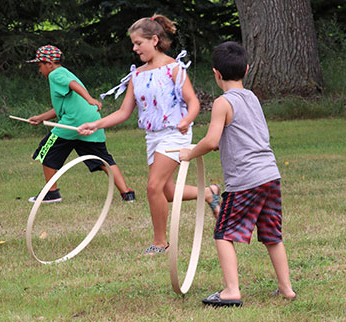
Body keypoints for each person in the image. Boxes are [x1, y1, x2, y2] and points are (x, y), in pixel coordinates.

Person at [78, 15, 219, 255]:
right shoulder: (137, 74)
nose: (134, 48)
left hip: (175, 134)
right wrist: (95, 124)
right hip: (152, 137)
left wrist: (186, 120)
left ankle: (160, 242)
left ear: (155, 40)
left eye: (138, 43)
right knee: (165, 191)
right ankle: (209, 193)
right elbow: (124, 112)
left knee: (153, 187)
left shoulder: (174, 68)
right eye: (133, 44)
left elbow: (193, 102)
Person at [178, 41, 296, 307]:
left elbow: (210, 141)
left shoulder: (222, 102)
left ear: (216, 73)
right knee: (272, 235)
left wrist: (189, 154)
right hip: (270, 175)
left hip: (245, 180)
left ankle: (231, 290)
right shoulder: (252, 97)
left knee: (224, 234)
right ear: (246, 68)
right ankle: (286, 288)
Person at [25, 45, 135, 203]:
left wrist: (90, 98)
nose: (39, 70)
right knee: (103, 159)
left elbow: (73, 85)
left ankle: (52, 193)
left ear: (49, 63)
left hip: (74, 121)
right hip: (91, 119)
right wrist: (41, 117)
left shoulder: (55, 74)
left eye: (39, 65)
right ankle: (127, 194)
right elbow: (63, 106)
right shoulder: (65, 73)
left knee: (46, 151)